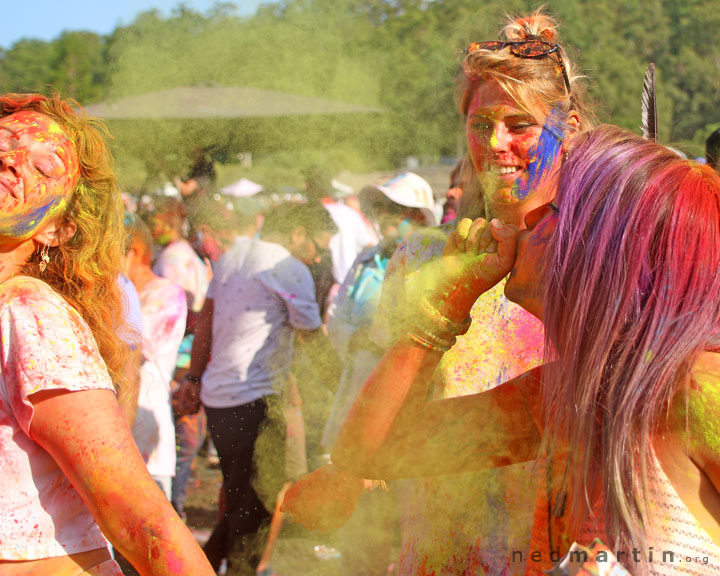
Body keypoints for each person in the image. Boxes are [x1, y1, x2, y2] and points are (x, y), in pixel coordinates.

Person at [326, 125, 720, 575]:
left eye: (554, 209)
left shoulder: (699, 393)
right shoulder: (564, 394)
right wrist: (445, 308)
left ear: (610, 251)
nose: (528, 219)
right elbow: (370, 453)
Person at [284, 10, 595, 575]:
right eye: (480, 126)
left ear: (569, 127)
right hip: (438, 548)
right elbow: (382, 396)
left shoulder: (602, 255)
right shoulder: (425, 257)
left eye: (519, 124)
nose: (496, 144)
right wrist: (350, 472)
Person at [0, 93, 213, 575]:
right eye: (5, 143)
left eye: (43, 164)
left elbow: (140, 518)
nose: (11, 160)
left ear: (56, 231)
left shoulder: (30, 314)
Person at [175, 200, 337, 572]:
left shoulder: (235, 256)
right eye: (318, 246)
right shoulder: (289, 267)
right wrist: (349, 390)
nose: (317, 258)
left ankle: (197, 566)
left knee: (241, 502)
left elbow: (206, 322)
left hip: (220, 400)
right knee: (256, 508)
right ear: (298, 235)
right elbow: (313, 340)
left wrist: (195, 378)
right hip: (255, 402)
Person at [125, 215, 188, 500]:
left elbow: (131, 348)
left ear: (133, 252)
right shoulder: (121, 292)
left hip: (146, 435)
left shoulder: (166, 293)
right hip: (115, 432)